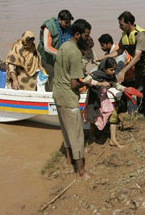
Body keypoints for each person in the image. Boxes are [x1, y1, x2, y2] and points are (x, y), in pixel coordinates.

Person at [53, 19, 95, 178]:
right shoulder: (76, 53)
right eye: (86, 35)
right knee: (77, 135)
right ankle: (81, 171)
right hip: (68, 97)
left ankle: (68, 160)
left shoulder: (63, 46)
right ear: (77, 34)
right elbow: (74, 83)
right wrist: (87, 83)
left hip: (57, 94)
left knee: (66, 131)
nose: (87, 38)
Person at [101, 11, 145, 120]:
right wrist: (103, 57)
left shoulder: (140, 35)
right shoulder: (125, 36)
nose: (120, 27)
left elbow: (137, 56)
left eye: (121, 25)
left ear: (129, 23)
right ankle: (142, 111)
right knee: (140, 88)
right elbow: (119, 51)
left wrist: (123, 71)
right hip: (139, 65)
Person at [83, 58, 132, 148]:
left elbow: (116, 85)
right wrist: (100, 83)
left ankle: (113, 140)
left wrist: (125, 89)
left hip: (104, 100)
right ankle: (91, 136)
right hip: (94, 99)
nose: (113, 72)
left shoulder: (110, 77)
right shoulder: (96, 74)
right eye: (111, 70)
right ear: (105, 69)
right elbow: (85, 81)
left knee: (113, 115)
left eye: (114, 70)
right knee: (94, 119)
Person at [38, 9, 74, 91]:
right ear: (59, 20)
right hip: (49, 60)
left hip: (63, 60)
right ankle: (50, 97)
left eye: (69, 22)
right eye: (66, 22)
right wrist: (62, 54)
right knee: (51, 80)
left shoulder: (69, 27)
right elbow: (47, 48)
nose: (68, 25)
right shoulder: (48, 27)